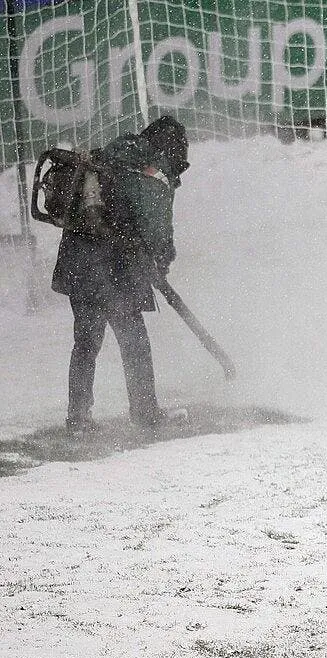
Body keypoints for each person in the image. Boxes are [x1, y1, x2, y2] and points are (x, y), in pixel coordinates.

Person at [51, 115, 189, 435]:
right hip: (115, 272)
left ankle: (78, 418)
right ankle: (145, 412)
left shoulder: (109, 155)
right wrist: (162, 259)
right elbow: (155, 231)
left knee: (86, 343)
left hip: (78, 264)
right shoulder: (150, 171)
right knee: (134, 342)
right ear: (169, 150)